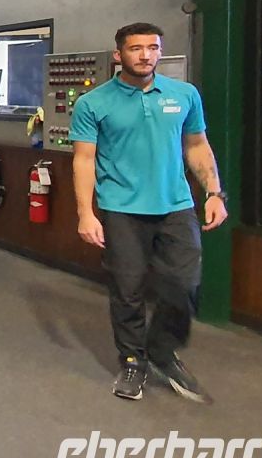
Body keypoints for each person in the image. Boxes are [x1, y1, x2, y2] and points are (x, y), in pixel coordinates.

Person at [70, 22, 228, 403]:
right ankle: (132, 361)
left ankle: (161, 348)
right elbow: (84, 160)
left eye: (153, 48)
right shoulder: (94, 103)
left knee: (185, 283)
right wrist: (85, 213)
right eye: (136, 48)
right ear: (118, 55)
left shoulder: (184, 95)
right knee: (128, 291)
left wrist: (213, 192)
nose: (145, 55)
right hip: (121, 209)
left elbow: (197, 145)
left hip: (176, 206)